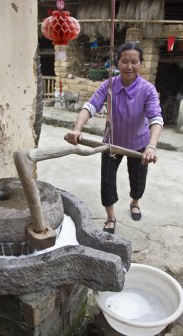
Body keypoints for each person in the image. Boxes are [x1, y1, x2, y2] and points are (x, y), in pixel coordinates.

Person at [64, 41, 163, 234]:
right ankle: (110, 217)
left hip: (139, 145)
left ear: (140, 63)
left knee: (138, 182)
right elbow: (90, 107)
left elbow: (156, 118)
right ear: (117, 63)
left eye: (134, 61)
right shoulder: (108, 85)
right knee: (107, 182)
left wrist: (151, 146)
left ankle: (135, 202)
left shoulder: (147, 89)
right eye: (125, 61)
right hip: (110, 145)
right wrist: (77, 129)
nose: (129, 66)